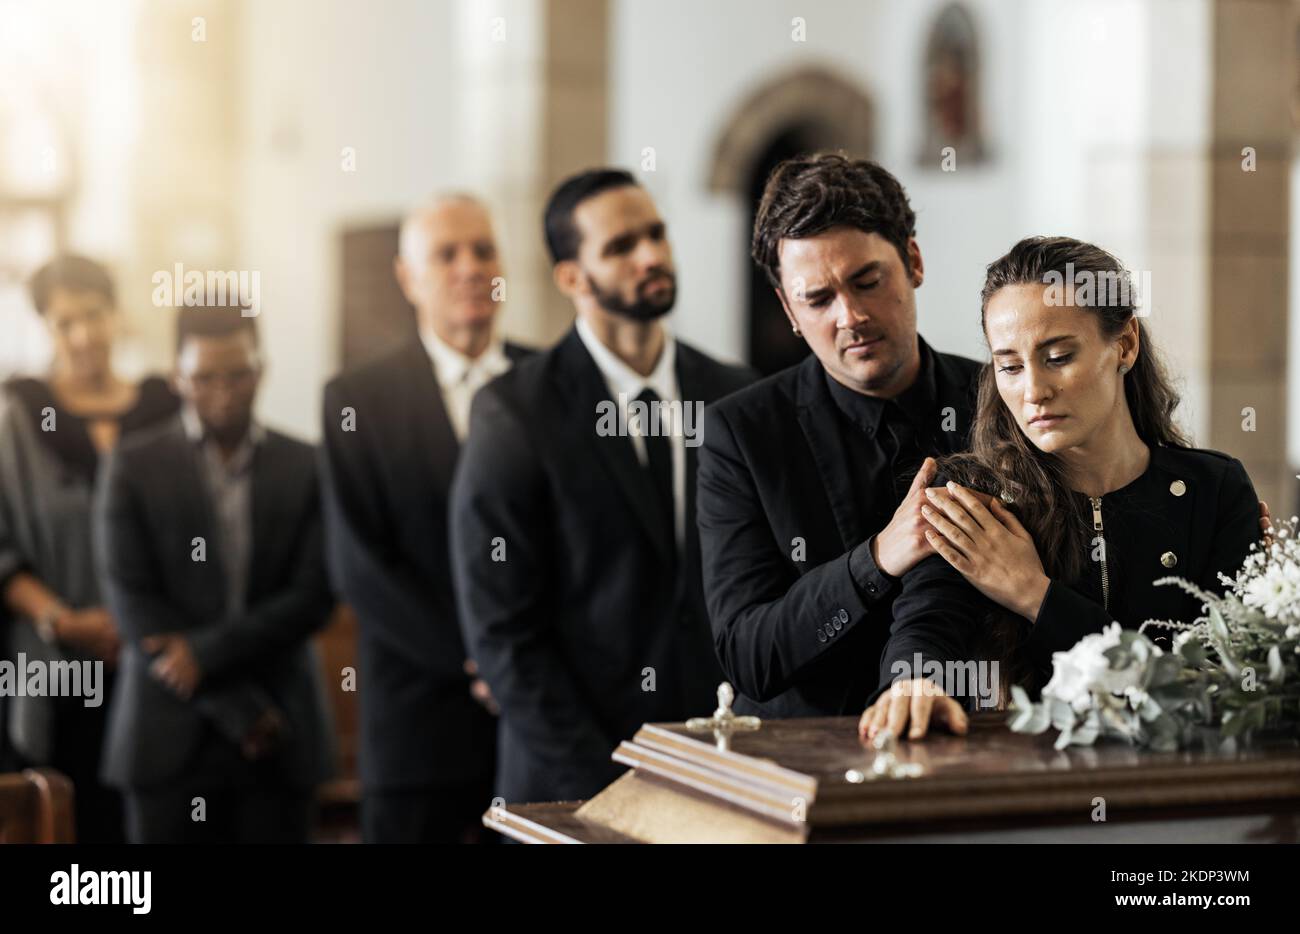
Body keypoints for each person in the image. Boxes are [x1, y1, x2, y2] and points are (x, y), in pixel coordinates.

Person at [860, 237, 1263, 741]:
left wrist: (1034, 594)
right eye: (1009, 365)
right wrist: (912, 683)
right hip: (1016, 788)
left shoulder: (1215, 490)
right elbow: (925, 623)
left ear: (1125, 345)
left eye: (1057, 356)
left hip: (1178, 787)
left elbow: (1218, 686)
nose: (1033, 390)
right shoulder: (969, 490)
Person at [450, 168, 756, 804]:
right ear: (571, 278)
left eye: (656, 234)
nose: (651, 255)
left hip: (722, 765)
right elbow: (504, 635)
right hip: (572, 785)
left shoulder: (734, 393)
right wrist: (605, 785)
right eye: (620, 247)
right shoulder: (515, 411)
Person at [696, 153, 980, 719]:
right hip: (804, 767)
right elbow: (750, 657)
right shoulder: (740, 434)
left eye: (867, 281)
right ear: (788, 309)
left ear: (914, 262)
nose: (850, 315)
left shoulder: (998, 399)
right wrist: (878, 558)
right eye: (818, 299)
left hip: (976, 744)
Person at [320, 194, 532, 842]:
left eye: (484, 250)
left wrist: (519, 665)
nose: (470, 267)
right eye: (446, 254)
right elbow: (360, 566)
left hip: (535, 726)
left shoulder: (551, 382)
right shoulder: (357, 398)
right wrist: (480, 660)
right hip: (417, 729)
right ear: (408, 279)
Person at [96, 306, 333, 843]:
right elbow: (133, 601)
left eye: (238, 374)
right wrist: (237, 708)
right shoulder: (132, 465)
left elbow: (313, 596)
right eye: (204, 377)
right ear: (178, 376)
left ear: (261, 370)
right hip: (166, 734)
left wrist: (203, 655)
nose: (223, 391)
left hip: (281, 729)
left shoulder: (306, 465)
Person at [0, 255, 178, 842]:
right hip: (57, 664)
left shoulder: (163, 408)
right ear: (45, 327)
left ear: (115, 315)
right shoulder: (19, 417)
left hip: (157, 660)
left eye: (93, 316)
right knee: (68, 825)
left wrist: (144, 623)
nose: (82, 336)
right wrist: (63, 619)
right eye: (63, 322)